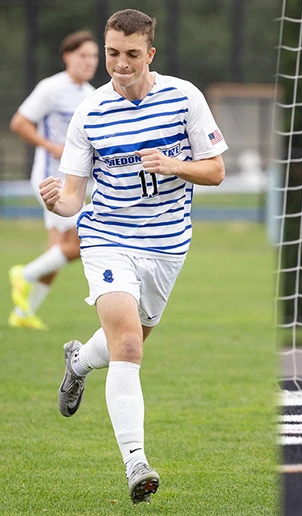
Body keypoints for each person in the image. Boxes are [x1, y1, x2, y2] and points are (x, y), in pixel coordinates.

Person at [38, 9, 227, 504]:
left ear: (150, 54)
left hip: (167, 245)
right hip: (108, 237)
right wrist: (57, 200)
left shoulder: (185, 96)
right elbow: (75, 198)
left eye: (131, 55)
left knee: (126, 341)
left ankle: (78, 362)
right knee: (127, 347)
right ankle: (136, 462)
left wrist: (174, 164)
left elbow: (216, 172)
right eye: (112, 54)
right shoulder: (91, 112)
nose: (119, 65)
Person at [8, 30, 99, 330]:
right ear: (67, 57)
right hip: (51, 181)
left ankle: (22, 315)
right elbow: (19, 122)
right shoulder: (51, 88)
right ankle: (24, 274)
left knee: (57, 252)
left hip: (75, 182)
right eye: (83, 55)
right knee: (79, 242)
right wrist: (51, 146)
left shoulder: (91, 94)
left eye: (94, 56)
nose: (90, 62)